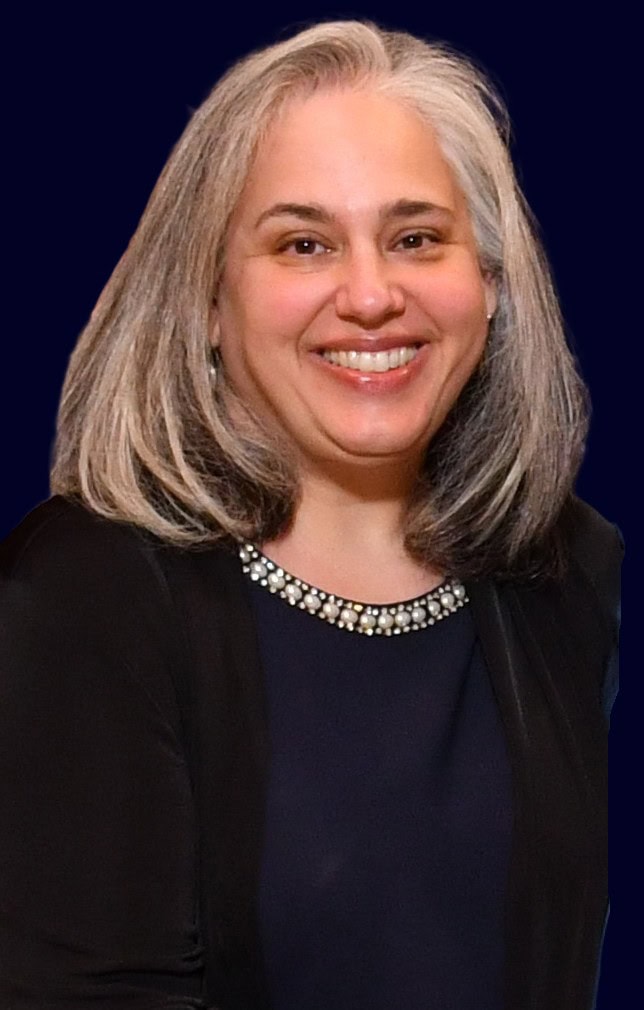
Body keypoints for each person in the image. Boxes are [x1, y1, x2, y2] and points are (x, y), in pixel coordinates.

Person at [0, 19, 621, 1010]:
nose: (370, 295)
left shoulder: (569, 572)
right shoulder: (83, 592)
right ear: (206, 299)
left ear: (490, 284)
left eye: (416, 237)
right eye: (302, 243)